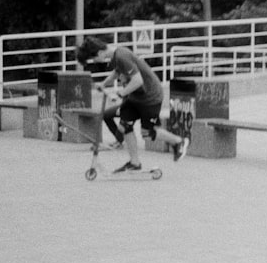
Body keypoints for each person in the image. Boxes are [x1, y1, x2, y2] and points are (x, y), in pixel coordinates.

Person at [75, 36, 189, 171]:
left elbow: (138, 81)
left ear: (99, 53)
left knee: (148, 132)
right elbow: (117, 72)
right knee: (124, 126)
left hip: (150, 97)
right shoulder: (117, 56)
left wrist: (119, 94)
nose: (95, 61)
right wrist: (104, 83)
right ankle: (135, 163)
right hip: (136, 97)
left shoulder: (121, 56)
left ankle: (178, 142)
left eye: (94, 59)